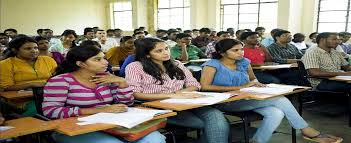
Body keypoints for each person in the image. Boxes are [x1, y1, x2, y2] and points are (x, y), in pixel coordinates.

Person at [200, 38, 343, 143]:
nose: (241, 53)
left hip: (248, 97)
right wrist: (240, 88)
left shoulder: (244, 63)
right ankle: (306, 130)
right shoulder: (212, 65)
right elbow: (205, 86)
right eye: (235, 50)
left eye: (241, 49)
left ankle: (257, 141)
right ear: (222, 52)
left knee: (276, 112)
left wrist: (259, 85)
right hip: (225, 101)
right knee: (279, 100)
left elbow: (253, 79)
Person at [42, 45, 165, 143]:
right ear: (81, 64)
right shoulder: (60, 81)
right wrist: (100, 110)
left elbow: (126, 104)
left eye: (104, 58)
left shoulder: (106, 77)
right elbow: (50, 111)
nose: (105, 62)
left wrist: (122, 83)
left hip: (109, 124)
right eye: (98, 59)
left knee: (155, 139)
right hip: (74, 129)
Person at [125, 38, 230, 143]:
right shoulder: (135, 67)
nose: (166, 53)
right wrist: (172, 95)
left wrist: (180, 93)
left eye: (166, 48)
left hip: (187, 103)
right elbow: (136, 94)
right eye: (159, 51)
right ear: (147, 54)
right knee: (214, 125)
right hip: (158, 108)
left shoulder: (176, 64)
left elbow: (194, 84)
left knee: (216, 116)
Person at [0, 36, 57, 116]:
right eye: (28, 49)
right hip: (23, 101)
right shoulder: (5, 64)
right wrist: (32, 84)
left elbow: (57, 78)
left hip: (50, 95)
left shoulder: (48, 60)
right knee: (42, 110)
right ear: (15, 50)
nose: (34, 51)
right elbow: (5, 87)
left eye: (36, 48)